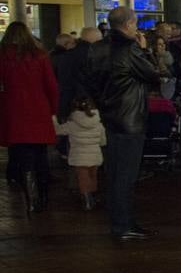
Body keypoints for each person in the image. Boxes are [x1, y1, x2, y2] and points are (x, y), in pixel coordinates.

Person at [80, 6, 162, 240]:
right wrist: (146, 51)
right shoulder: (129, 49)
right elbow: (153, 74)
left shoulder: (97, 48)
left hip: (110, 113)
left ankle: (122, 221)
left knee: (115, 171)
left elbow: (89, 79)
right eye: (135, 23)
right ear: (128, 24)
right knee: (126, 174)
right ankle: (123, 224)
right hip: (130, 117)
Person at [0, 23, 60, 213]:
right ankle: (43, 195)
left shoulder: (3, 56)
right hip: (38, 107)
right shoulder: (39, 55)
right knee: (40, 154)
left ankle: (31, 197)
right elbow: (51, 85)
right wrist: (53, 108)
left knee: (22, 155)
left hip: (13, 108)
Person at [55, 94, 105, 210]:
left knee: (83, 178)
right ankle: (92, 196)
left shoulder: (71, 124)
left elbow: (57, 131)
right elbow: (103, 141)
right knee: (93, 176)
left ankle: (87, 200)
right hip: (95, 155)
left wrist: (53, 119)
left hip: (79, 156)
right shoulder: (99, 124)